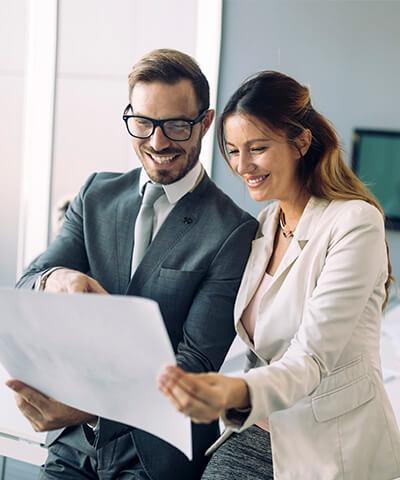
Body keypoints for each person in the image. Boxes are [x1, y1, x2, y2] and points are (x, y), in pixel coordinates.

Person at [9, 49, 258, 480]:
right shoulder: (95, 195)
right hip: (71, 446)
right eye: (143, 123)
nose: (158, 142)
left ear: (205, 121)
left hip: (155, 456)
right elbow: (28, 283)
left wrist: (85, 406)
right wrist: (57, 278)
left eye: (177, 126)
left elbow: (194, 366)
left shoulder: (233, 231)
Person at [158, 71, 400, 480]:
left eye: (257, 148)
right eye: (233, 151)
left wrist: (235, 391)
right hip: (257, 427)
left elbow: (310, 357)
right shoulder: (266, 223)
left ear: (301, 142)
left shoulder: (356, 222)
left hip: (328, 447)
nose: (242, 165)